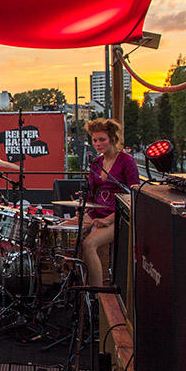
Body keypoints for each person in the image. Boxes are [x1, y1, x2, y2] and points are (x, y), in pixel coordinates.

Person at [65, 118, 138, 285]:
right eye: (95, 140)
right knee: (64, 230)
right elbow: (91, 194)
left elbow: (134, 196)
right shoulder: (96, 163)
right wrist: (83, 211)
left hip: (119, 216)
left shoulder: (127, 161)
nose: (97, 144)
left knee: (89, 244)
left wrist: (108, 220)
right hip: (97, 212)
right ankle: (71, 281)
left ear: (112, 139)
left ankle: (96, 293)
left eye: (102, 139)